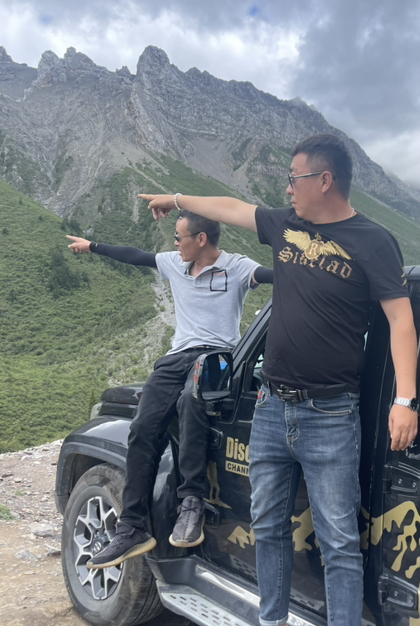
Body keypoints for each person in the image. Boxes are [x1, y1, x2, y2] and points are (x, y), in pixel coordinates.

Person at [139, 134, 418, 626]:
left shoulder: (373, 241)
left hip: (331, 414)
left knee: (338, 542)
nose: (287, 188)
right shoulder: (287, 225)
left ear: (324, 180)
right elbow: (230, 208)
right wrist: (177, 199)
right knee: (267, 528)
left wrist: (406, 400)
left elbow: (400, 319)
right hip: (270, 407)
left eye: (294, 178)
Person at [66, 210, 273, 569]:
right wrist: (93, 246)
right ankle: (132, 527)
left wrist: (317, 268)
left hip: (216, 358)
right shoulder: (177, 264)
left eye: (180, 237)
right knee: (142, 427)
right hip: (177, 357)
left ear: (201, 239)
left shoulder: (236, 267)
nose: (174, 243)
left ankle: (191, 503)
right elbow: (136, 256)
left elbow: (271, 275)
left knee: (190, 403)